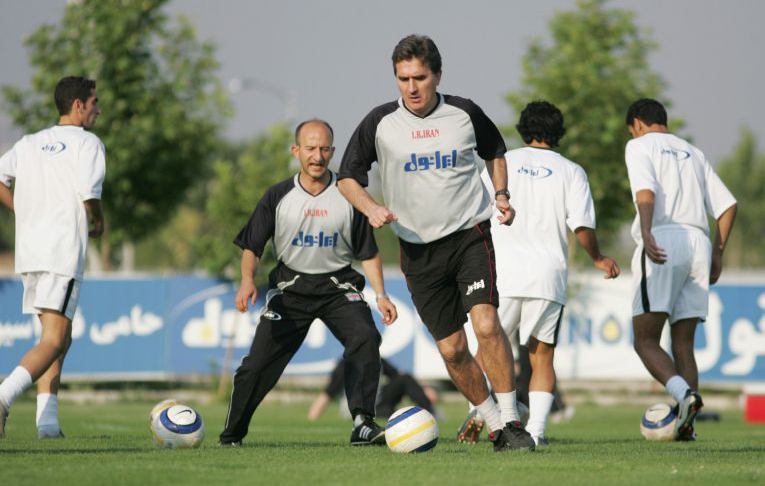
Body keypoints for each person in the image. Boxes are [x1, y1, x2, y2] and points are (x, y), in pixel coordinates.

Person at [337, 34, 535, 451]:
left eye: (420, 78)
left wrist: (502, 195)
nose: (412, 87)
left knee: (486, 324)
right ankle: (495, 426)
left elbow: (495, 152)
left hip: (469, 236)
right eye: (403, 78)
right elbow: (348, 177)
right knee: (452, 349)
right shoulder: (380, 122)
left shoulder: (464, 113)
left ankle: (513, 422)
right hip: (418, 250)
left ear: (438, 75)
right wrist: (370, 208)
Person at [219, 119, 398, 447]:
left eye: (325, 149)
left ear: (332, 151)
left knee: (365, 336)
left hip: (338, 287)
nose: (318, 156)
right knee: (256, 366)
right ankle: (231, 435)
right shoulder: (277, 196)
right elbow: (252, 246)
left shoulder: (350, 195)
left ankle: (362, 422)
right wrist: (247, 281)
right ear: (296, 151)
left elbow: (368, 252)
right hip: (291, 289)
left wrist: (381, 295)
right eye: (311, 148)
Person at [459, 101, 620, 446]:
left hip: (502, 271)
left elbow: (473, 210)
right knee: (542, 355)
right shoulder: (571, 171)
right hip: (548, 274)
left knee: (487, 347)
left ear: (522, 128)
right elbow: (582, 226)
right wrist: (598, 257)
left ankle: (479, 412)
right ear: (559, 132)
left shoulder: (501, 163)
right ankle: (537, 431)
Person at [625, 98, 737, 441]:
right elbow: (728, 205)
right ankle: (688, 428)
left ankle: (684, 396)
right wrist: (717, 252)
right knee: (684, 343)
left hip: (663, 239)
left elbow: (645, 192)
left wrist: (647, 230)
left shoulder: (638, 145)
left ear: (637, 124)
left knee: (645, 340)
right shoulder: (694, 152)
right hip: (699, 244)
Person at [0, 76, 105, 439]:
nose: (98, 110)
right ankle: (3, 396)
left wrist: (22, 211)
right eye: (94, 103)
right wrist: (99, 219)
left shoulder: (29, 142)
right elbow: (89, 194)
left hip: (31, 252)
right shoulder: (88, 143)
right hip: (62, 250)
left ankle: (47, 423)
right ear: (78, 105)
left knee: (60, 336)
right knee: (54, 341)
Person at [307, 357, 438, 421]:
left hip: (378, 403)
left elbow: (399, 376)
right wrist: (312, 419)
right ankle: (410, 419)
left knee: (406, 378)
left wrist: (424, 390)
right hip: (357, 410)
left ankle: (431, 415)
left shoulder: (377, 359)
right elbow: (327, 394)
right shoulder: (346, 364)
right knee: (391, 413)